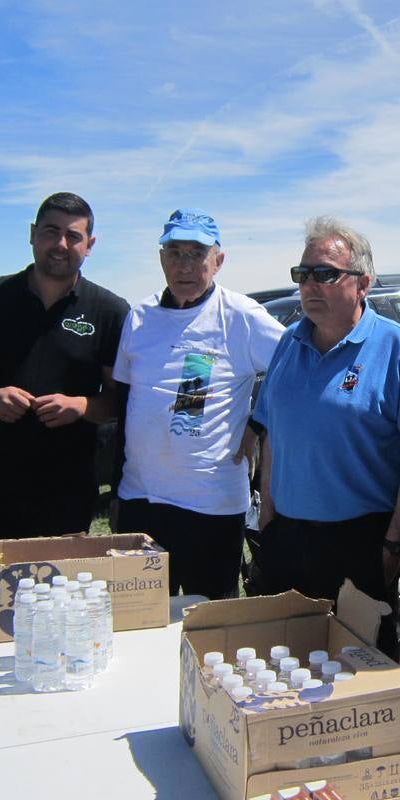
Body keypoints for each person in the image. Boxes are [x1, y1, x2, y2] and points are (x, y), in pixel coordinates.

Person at [0, 193, 129, 613]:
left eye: (73, 236)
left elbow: (118, 401)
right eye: (51, 232)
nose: (60, 244)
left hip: (65, 496)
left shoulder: (110, 311)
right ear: (32, 235)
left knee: (54, 617)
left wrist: (81, 406)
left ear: (89, 245)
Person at [253, 217, 400, 657]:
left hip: (360, 543)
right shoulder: (288, 344)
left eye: (326, 274)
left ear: (363, 283)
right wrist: (269, 520)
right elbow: (273, 437)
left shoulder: (398, 347)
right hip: (288, 539)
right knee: (284, 668)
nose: (310, 285)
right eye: (304, 274)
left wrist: (393, 544)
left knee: (363, 674)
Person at [111, 209, 286, 598]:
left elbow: (297, 366)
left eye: (197, 253)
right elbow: (124, 406)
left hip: (210, 505)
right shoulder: (139, 317)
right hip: (140, 499)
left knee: (208, 626)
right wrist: (117, 491)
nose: (184, 265)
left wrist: (258, 422)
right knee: (140, 621)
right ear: (161, 258)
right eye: (175, 252)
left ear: (218, 261)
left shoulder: (239, 316)